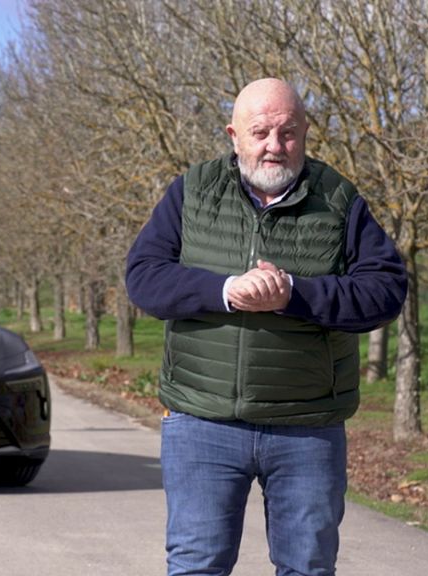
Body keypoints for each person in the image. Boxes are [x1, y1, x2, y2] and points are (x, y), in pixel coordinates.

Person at [125, 78, 408, 576]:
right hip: (202, 421)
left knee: (307, 567)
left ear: (305, 133)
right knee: (197, 565)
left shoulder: (339, 199)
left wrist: (294, 295)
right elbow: (144, 278)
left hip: (308, 427)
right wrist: (227, 290)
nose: (274, 146)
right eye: (260, 132)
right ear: (233, 135)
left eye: (288, 132)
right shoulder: (191, 191)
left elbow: (384, 291)